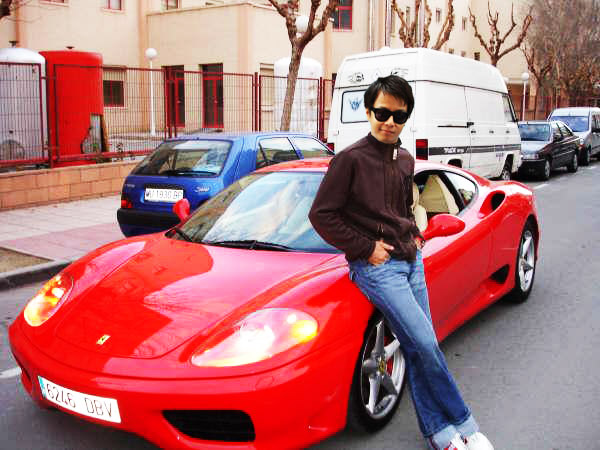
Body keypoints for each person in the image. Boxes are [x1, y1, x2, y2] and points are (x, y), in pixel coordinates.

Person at [308, 75, 494, 450]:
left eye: (399, 115)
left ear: (406, 116)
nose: (389, 122)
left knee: (418, 347)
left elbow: (401, 210)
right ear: (368, 111)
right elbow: (322, 215)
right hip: (377, 268)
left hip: (411, 260)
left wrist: (414, 236)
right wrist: (366, 248)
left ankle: (440, 435)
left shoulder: (405, 158)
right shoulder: (350, 160)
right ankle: (464, 424)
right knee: (426, 344)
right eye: (382, 113)